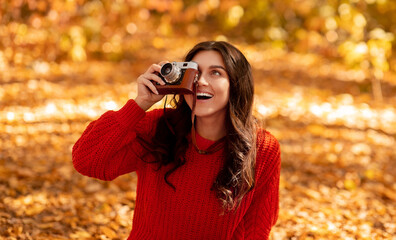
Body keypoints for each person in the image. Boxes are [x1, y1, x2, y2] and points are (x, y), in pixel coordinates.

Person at [72, 41, 281, 239]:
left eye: (216, 72)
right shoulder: (159, 128)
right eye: (194, 73)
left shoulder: (262, 148)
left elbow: (256, 231)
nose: (201, 81)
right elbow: (87, 161)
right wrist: (139, 104)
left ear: (236, 84)